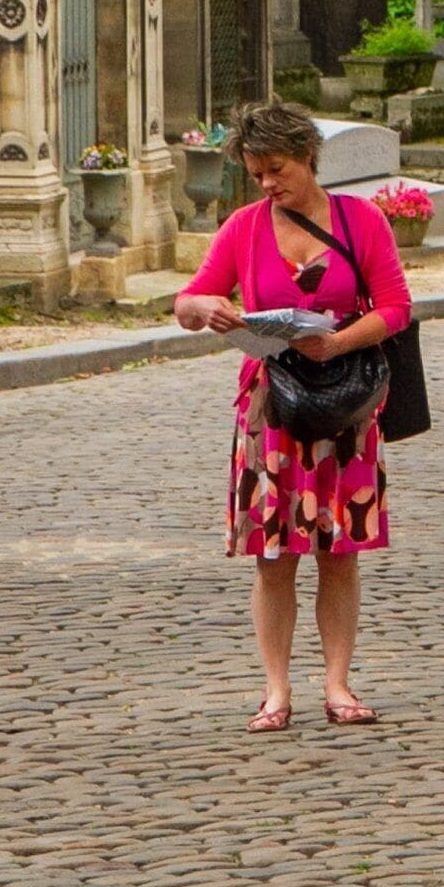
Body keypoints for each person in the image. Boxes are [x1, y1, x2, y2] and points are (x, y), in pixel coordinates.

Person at [175, 101, 414, 730]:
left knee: (341, 552)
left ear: (308, 156)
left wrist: (335, 341)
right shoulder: (244, 228)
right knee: (273, 554)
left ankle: (338, 685)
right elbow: (187, 301)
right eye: (257, 174)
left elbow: (395, 307)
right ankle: (276, 691)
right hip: (272, 407)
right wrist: (208, 309)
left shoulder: (361, 222)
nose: (268, 183)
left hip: (346, 405)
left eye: (276, 169)